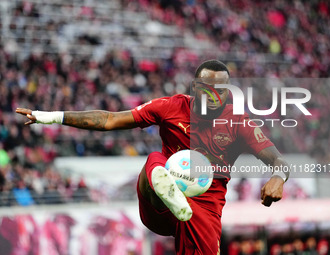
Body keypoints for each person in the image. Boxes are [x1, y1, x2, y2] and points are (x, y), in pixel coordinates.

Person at [16, 60, 289, 254]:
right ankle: (165, 187)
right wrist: (51, 117)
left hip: (202, 210)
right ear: (195, 87)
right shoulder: (170, 107)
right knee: (155, 160)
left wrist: (278, 177)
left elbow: (278, 161)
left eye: (222, 89)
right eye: (209, 88)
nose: (216, 95)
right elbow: (110, 120)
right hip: (159, 205)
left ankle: (179, 201)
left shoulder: (239, 122)